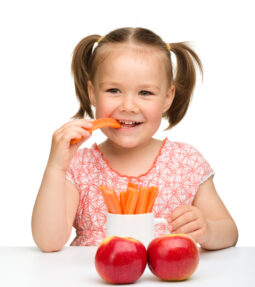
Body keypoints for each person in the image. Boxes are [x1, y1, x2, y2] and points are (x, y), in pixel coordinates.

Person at [31, 27, 238, 252]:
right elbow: (48, 242)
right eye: (113, 90)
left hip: (168, 284)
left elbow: (229, 232)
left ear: (167, 98)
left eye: (145, 93)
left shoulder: (186, 162)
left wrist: (207, 230)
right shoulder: (78, 165)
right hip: (94, 283)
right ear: (92, 93)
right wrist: (55, 167)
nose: (128, 106)